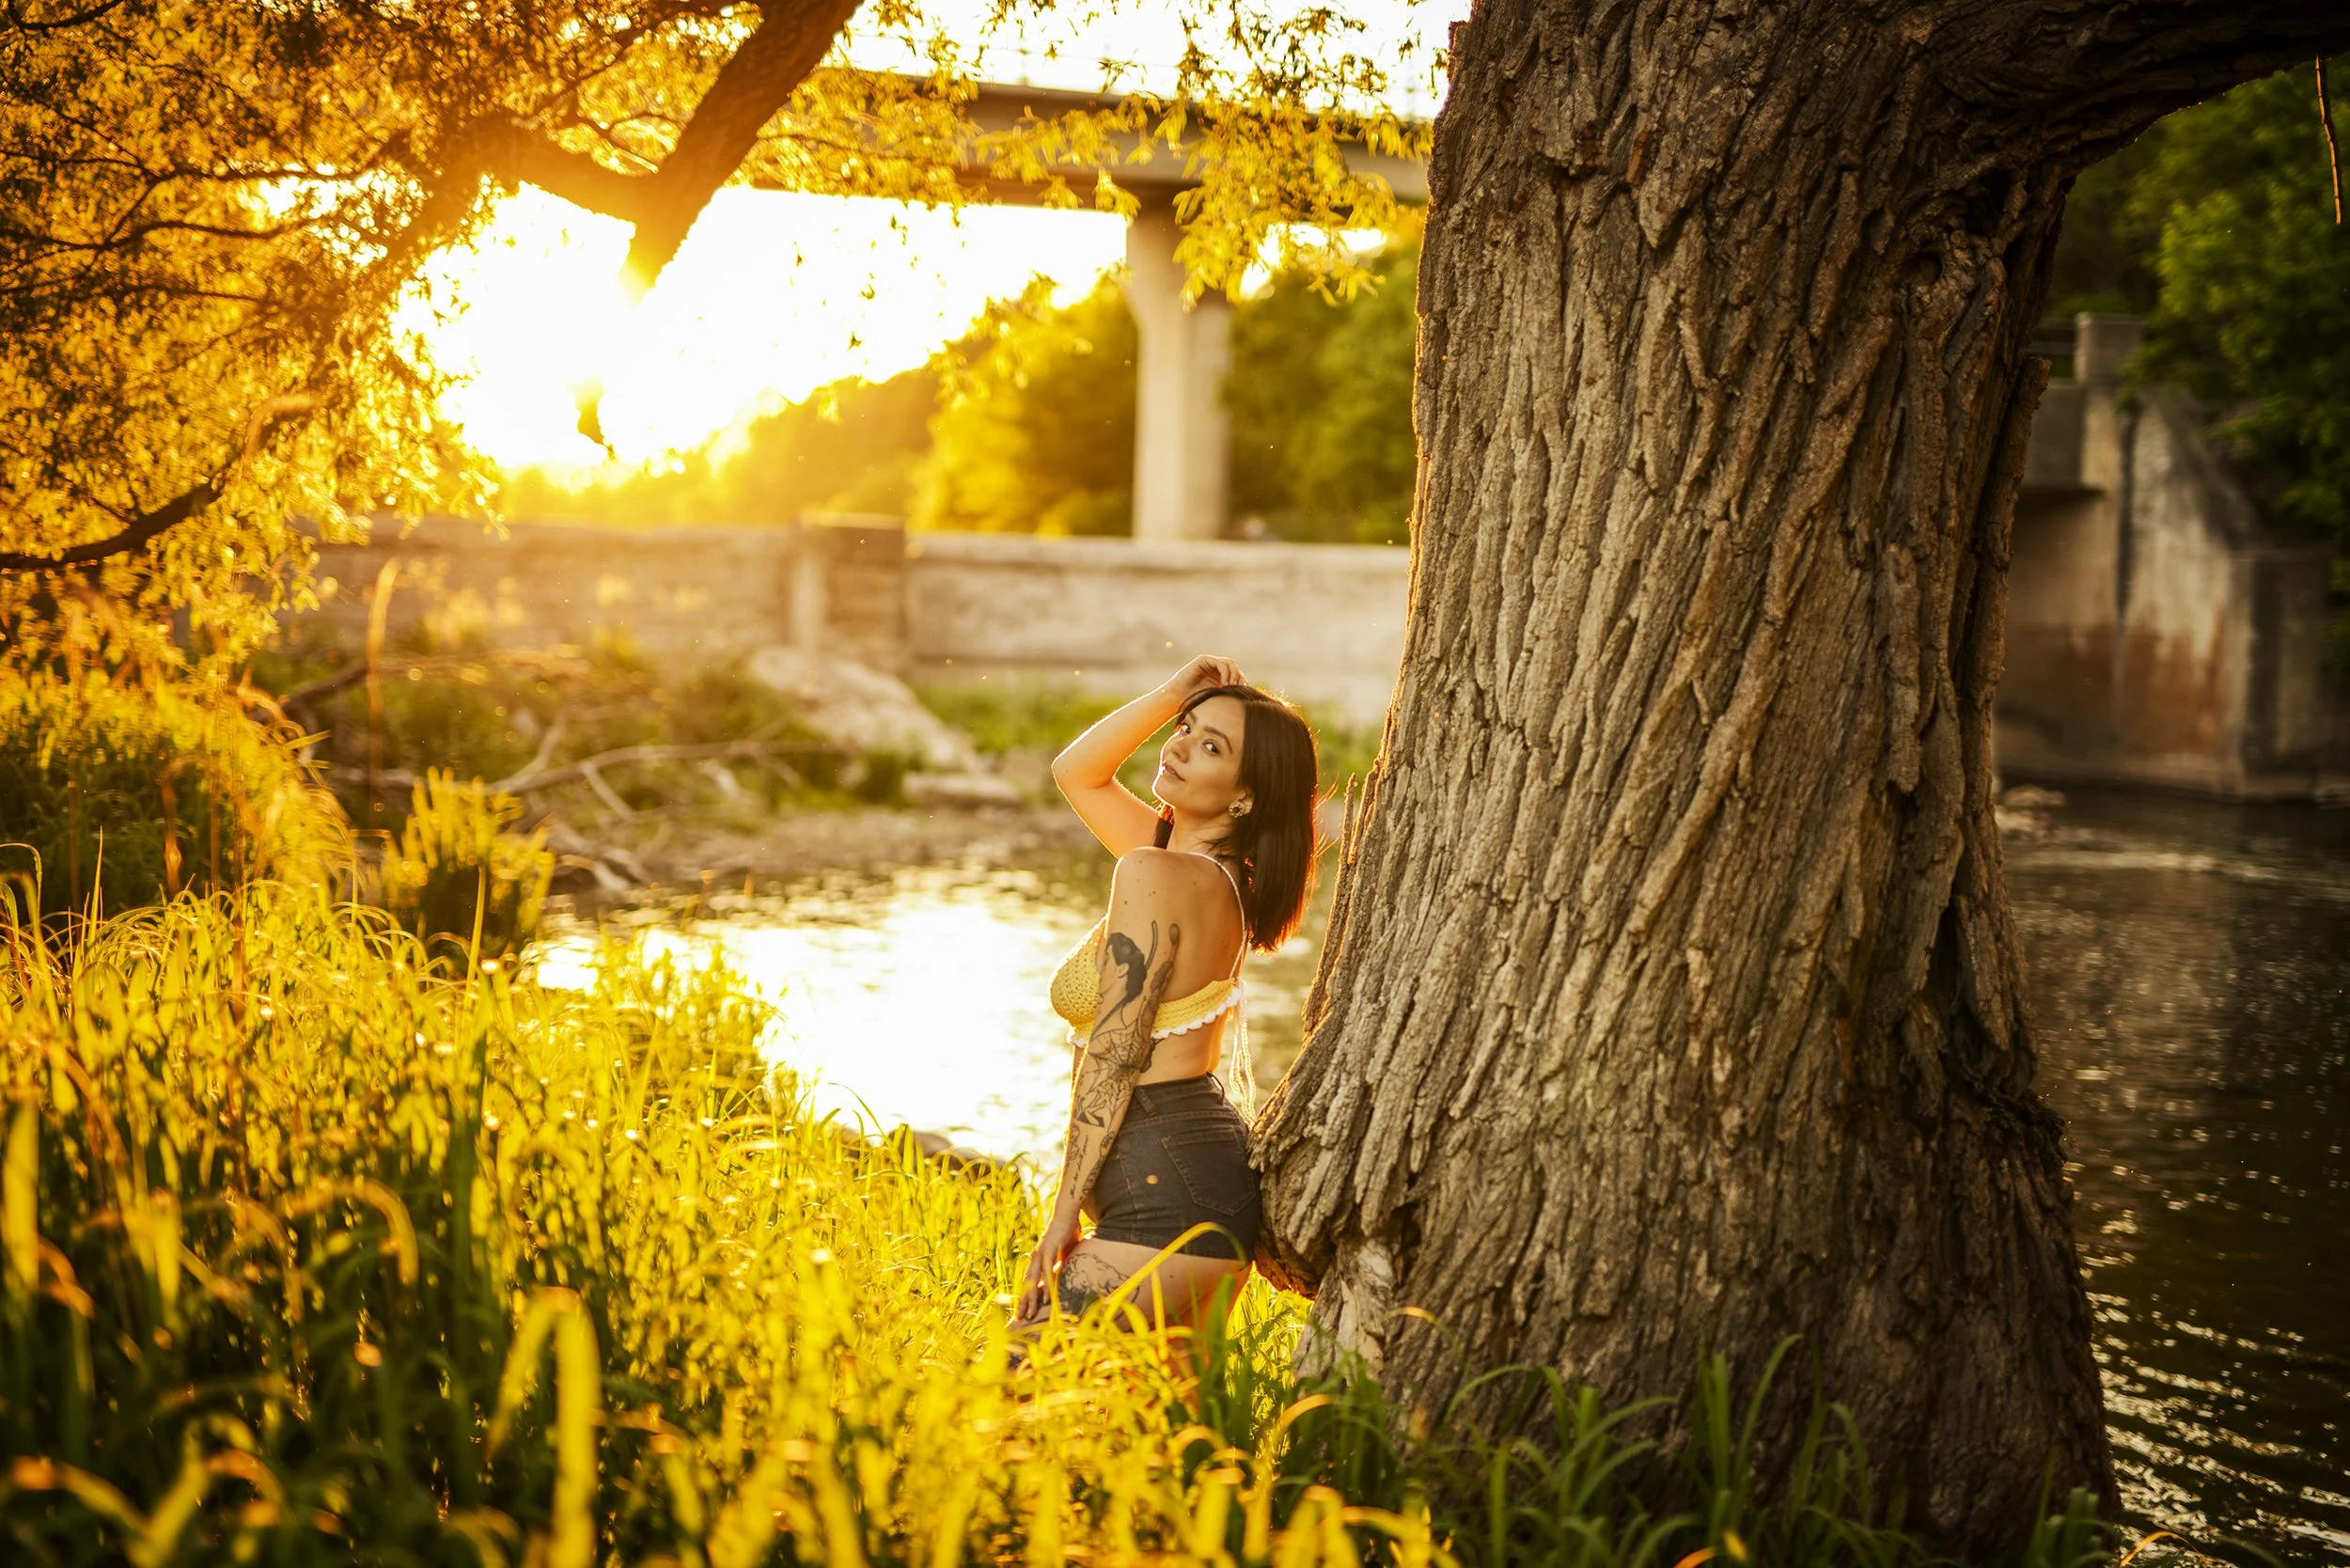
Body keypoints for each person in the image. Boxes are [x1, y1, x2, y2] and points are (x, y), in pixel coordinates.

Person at [1012, 655, 1319, 1335]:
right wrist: (1173, 692)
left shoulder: (1158, 872)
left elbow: (1117, 1051)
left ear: (1246, 796)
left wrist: (1063, 1212)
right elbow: (1077, 773)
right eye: (1186, 727)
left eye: (1212, 746)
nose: (1178, 744)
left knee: (1011, 1385)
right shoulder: (1202, 874)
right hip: (1195, 1185)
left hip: (1168, 1197)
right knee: (1172, 1436)